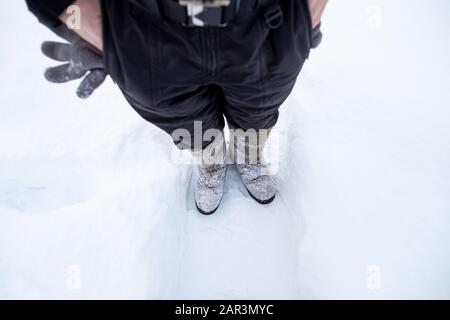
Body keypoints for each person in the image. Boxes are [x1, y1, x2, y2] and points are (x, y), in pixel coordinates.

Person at [25, 0, 327, 215]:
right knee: (185, 120)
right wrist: (96, 29)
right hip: (147, 33)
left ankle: (249, 154)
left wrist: (308, 12)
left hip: (263, 23)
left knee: (257, 110)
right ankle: (211, 161)